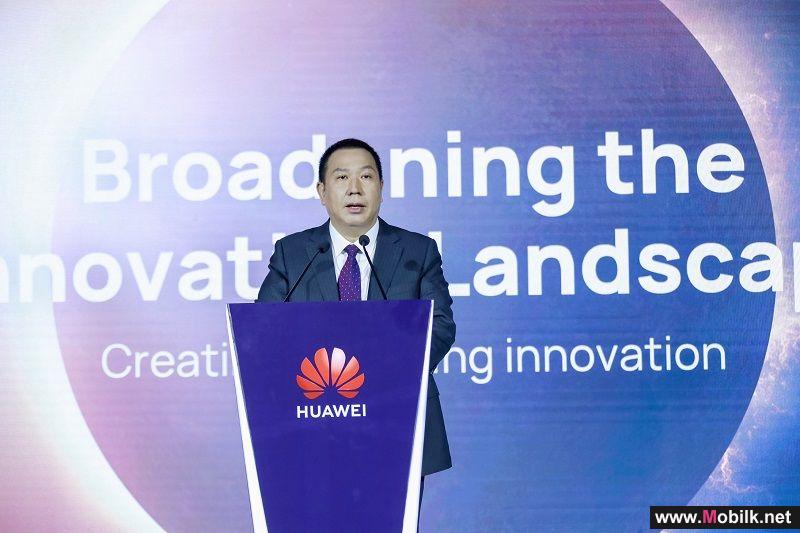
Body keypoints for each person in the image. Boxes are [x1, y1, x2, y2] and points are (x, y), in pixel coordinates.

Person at [256, 137, 456, 517]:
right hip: (312, 424)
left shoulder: (417, 252)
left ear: (381, 187)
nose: (354, 188)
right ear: (322, 191)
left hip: (397, 421)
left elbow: (441, 327)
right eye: (341, 177)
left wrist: (387, 374)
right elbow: (265, 332)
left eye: (366, 176)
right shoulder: (293, 253)